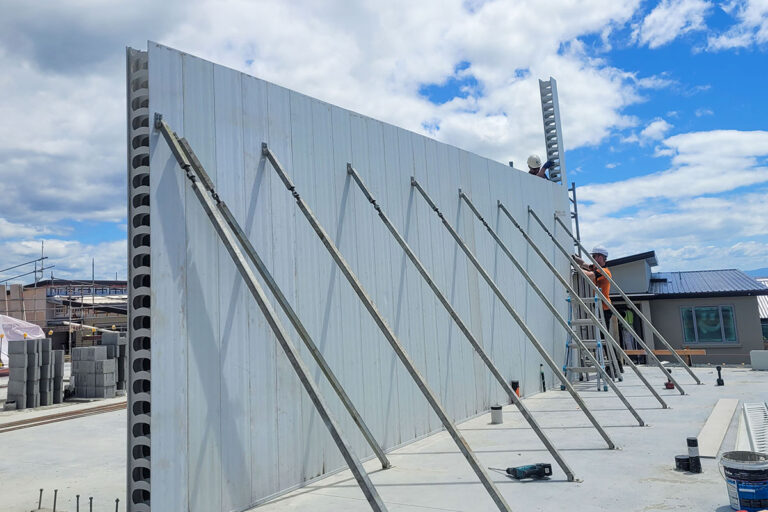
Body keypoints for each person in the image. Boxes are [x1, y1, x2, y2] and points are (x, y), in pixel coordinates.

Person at [574, 246, 622, 374]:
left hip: (604, 308)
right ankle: (616, 365)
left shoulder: (604, 271)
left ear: (601, 257)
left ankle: (614, 366)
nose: (593, 259)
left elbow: (589, 275)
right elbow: (585, 265)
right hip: (600, 307)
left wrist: (575, 267)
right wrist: (575, 258)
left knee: (604, 338)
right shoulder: (597, 268)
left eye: (595, 256)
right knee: (603, 337)